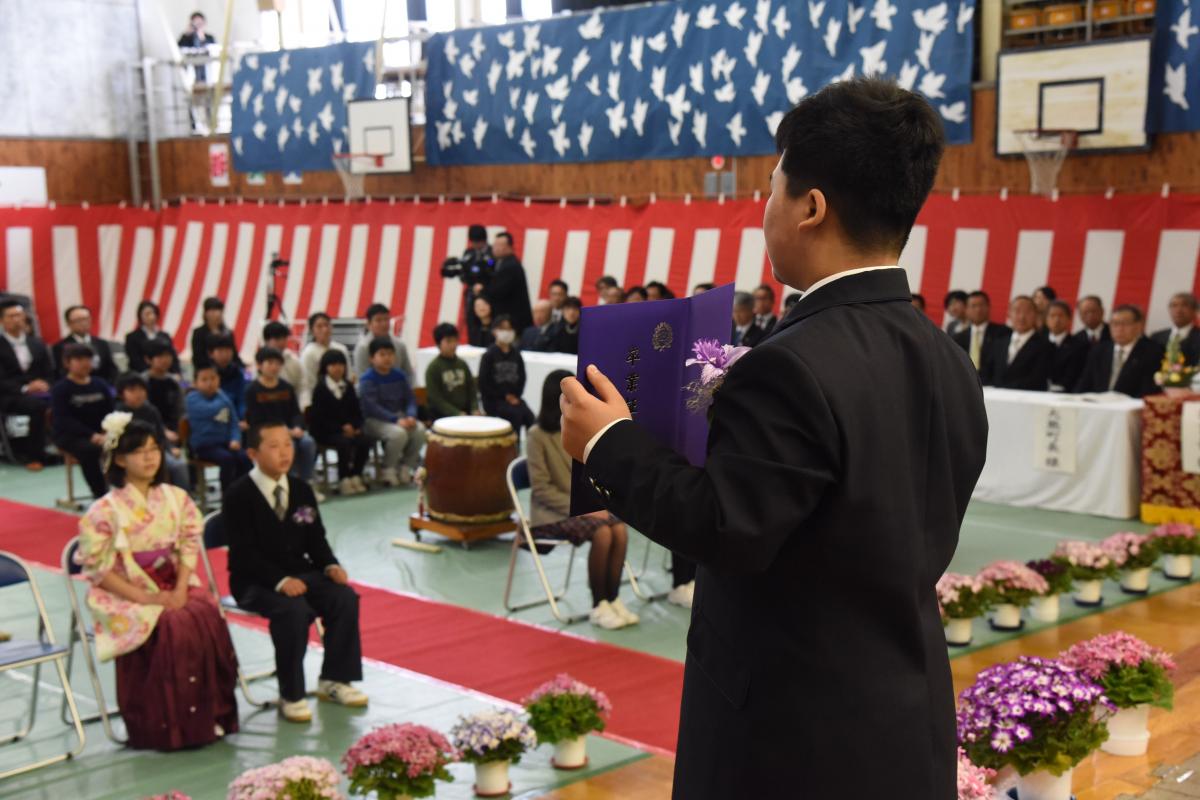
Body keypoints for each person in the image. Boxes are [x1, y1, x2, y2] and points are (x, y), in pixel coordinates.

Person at [558, 78, 987, 798]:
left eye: (772, 187)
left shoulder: (792, 364)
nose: (764, 209)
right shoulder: (947, 358)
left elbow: (728, 528)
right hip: (904, 715)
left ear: (811, 207)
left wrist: (609, 443)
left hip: (790, 738)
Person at [77, 415, 238, 750]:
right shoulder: (103, 511)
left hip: (171, 582)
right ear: (120, 459)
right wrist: (144, 597)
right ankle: (164, 725)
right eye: (139, 452)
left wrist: (180, 588)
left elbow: (189, 544)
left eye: (154, 449)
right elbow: (97, 569)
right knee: (171, 625)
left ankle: (206, 717)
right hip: (125, 589)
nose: (150, 458)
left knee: (204, 614)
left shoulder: (175, 498)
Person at [223, 421, 367, 723]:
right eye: (273, 446)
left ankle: (335, 680)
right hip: (255, 581)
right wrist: (279, 581)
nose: (284, 452)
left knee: (344, 598)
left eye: (287, 444)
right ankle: (291, 693)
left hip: (301, 574)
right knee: (293, 611)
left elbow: (316, 539)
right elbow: (243, 553)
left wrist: (330, 564)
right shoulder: (238, 494)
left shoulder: (301, 489)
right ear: (253, 453)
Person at [527, 371, 637, 630]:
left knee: (619, 530)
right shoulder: (537, 436)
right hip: (550, 515)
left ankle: (613, 598)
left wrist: (593, 506)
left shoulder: (578, 429)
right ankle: (599, 605)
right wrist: (581, 510)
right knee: (603, 534)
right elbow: (542, 489)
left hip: (583, 508)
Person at [244, 347, 320, 497]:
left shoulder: (286, 387)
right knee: (287, 447)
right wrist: (284, 432)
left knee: (308, 443)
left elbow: (295, 412)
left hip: (291, 432)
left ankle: (307, 484)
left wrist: (298, 427)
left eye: (278, 363)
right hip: (268, 435)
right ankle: (288, 486)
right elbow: (255, 419)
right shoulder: (252, 390)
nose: (274, 367)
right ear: (259, 365)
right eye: (270, 363)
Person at [359, 338, 425, 487]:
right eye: (382, 354)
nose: (387, 358)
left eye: (390, 354)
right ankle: (388, 469)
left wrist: (411, 415)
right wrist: (395, 419)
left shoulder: (399, 375)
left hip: (400, 417)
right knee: (398, 433)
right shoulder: (367, 379)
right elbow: (371, 407)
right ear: (372, 358)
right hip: (374, 420)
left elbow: (410, 399)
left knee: (420, 430)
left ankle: (406, 466)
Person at [52, 344, 114, 498]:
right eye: (79, 359)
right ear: (67, 363)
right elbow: (64, 419)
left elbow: (111, 412)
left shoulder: (100, 384)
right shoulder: (61, 389)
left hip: (101, 432)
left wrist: (106, 431)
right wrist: (91, 435)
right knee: (90, 451)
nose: (85, 363)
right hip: (72, 436)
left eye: (88, 359)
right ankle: (101, 494)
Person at [0, 298, 54, 468]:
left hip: (40, 391)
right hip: (10, 395)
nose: (17, 319)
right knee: (35, 406)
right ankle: (34, 456)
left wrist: (45, 383)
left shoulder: (36, 343)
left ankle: (68, 448)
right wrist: (25, 388)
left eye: (20, 315)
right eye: (12, 316)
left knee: (67, 398)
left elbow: (49, 371)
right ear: (2, 320)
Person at [309, 349, 370, 496]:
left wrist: (355, 427)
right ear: (326, 367)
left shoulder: (348, 386)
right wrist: (341, 428)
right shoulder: (320, 389)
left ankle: (356, 474)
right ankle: (343, 478)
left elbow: (357, 411)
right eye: (333, 365)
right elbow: (319, 418)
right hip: (326, 431)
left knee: (365, 440)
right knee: (344, 443)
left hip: (348, 429)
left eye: (341, 364)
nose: (337, 368)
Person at [115, 372, 190, 490]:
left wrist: (170, 449)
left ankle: (183, 498)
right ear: (122, 394)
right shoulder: (118, 413)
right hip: (132, 454)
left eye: (141, 390)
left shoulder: (151, 410)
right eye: (132, 390)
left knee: (179, 465)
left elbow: (160, 434)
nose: (138, 394)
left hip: (156, 450)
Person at [1074, 304, 1165, 397]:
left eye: (1125, 323)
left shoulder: (1153, 352)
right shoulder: (1099, 350)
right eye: (1115, 324)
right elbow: (1084, 384)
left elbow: (1149, 390)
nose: (1119, 329)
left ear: (1139, 326)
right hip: (1098, 406)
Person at [185, 364, 251, 489]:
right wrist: (223, 402)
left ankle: (244, 491)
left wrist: (235, 439)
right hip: (204, 446)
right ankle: (227, 494)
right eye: (204, 380)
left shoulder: (222, 397)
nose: (210, 383)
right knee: (227, 459)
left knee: (244, 458)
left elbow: (233, 422)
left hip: (225, 443)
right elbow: (210, 410)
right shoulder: (192, 399)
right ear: (195, 383)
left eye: (213, 378)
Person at [978, 296, 1052, 391]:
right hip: (995, 398)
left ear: (1035, 315)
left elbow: (1038, 379)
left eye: (1027, 312)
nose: (1021, 316)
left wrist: (1004, 388)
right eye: (1017, 311)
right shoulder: (999, 343)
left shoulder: (1045, 345)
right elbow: (986, 372)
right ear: (1009, 314)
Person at [479, 316, 535, 436]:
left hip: (513, 398)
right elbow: (484, 383)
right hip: (493, 400)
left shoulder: (516, 354)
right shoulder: (489, 355)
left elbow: (522, 378)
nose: (507, 332)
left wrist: (515, 396)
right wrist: (505, 396)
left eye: (509, 329)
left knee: (530, 417)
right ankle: (513, 448)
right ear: (495, 331)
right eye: (503, 328)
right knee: (515, 416)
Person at [425, 323, 481, 420]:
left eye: (455, 340)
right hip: (443, 415)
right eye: (448, 341)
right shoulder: (433, 368)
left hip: (465, 412)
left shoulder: (462, 364)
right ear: (438, 344)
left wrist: (474, 408)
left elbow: (472, 389)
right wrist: (456, 413)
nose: (453, 345)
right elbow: (436, 399)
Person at [53, 305, 118, 384]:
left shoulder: (101, 343)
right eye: (78, 320)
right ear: (69, 324)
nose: (83, 323)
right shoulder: (61, 346)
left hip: (103, 385)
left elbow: (111, 369)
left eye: (86, 319)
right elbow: (61, 372)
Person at [483, 232, 533, 334]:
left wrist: (482, 289)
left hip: (512, 322)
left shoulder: (510, 266)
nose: (495, 248)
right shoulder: (496, 262)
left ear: (509, 247)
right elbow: (489, 264)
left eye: (499, 245)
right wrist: (486, 262)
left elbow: (496, 291)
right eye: (494, 245)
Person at [352, 304, 415, 384]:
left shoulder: (400, 345)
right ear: (368, 324)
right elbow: (361, 377)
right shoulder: (363, 347)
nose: (384, 324)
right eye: (378, 320)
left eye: (386, 319)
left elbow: (408, 374)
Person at [301, 312, 353, 407]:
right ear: (312, 330)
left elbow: (348, 375)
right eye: (319, 326)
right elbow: (309, 383)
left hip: (343, 395)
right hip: (319, 399)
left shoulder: (341, 349)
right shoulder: (309, 353)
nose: (324, 329)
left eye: (327, 325)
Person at [953, 291, 1011, 371]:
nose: (978, 310)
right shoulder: (958, 338)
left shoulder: (1003, 332)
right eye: (973, 306)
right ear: (966, 309)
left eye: (981, 305)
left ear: (989, 307)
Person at [142, 340, 185, 439]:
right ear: (148, 359)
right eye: (160, 356)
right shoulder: (142, 381)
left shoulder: (175, 380)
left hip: (173, 431)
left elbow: (187, 387)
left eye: (168, 355)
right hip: (149, 431)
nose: (165, 360)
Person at [125, 301, 180, 374]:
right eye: (147, 314)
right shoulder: (132, 337)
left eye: (153, 313)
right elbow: (135, 360)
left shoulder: (165, 336)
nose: (151, 317)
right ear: (140, 316)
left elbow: (173, 357)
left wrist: (176, 372)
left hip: (165, 374)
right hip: (141, 374)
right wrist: (151, 372)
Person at [1045, 300, 1087, 392]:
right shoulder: (1038, 343)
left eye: (1060, 316)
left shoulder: (1080, 346)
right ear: (1046, 319)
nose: (1056, 320)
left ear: (1069, 319)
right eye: (1052, 316)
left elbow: (1077, 375)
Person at [1150, 292, 1200, 366]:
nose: (1178, 310)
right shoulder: (1156, 337)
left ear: (1194, 310)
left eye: (1184, 305)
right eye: (1174, 305)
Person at [190, 297, 240, 371]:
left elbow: (235, 356)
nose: (217, 314)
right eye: (213, 310)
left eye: (220, 310)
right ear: (206, 313)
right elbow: (198, 358)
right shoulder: (199, 333)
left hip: (228, 373)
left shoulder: (228, 333)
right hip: (207, 372)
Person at [262, 321, 307, 399]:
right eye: (277, 339)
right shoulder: (260, 361)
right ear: (267, 341)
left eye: (284, 338)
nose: (282, 342)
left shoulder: (293, 360)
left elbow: (302, 386)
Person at [208, 334, 247, 420]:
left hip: (236, 420)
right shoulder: (206, 374)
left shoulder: (239, 373)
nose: (225, 355)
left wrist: (243, 417)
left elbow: (242, 400)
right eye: (220, 351)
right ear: (211, 354)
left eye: (228, 350)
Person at [177, 11, 217, 84]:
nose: (198, 26)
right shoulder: (187, 38)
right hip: (192, 70)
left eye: (200, 23)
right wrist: (187, 34)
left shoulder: (209, 37)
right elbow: (179, 47)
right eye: (195, 23)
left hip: (207, 70)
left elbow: (213, 49)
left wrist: (202, 37)